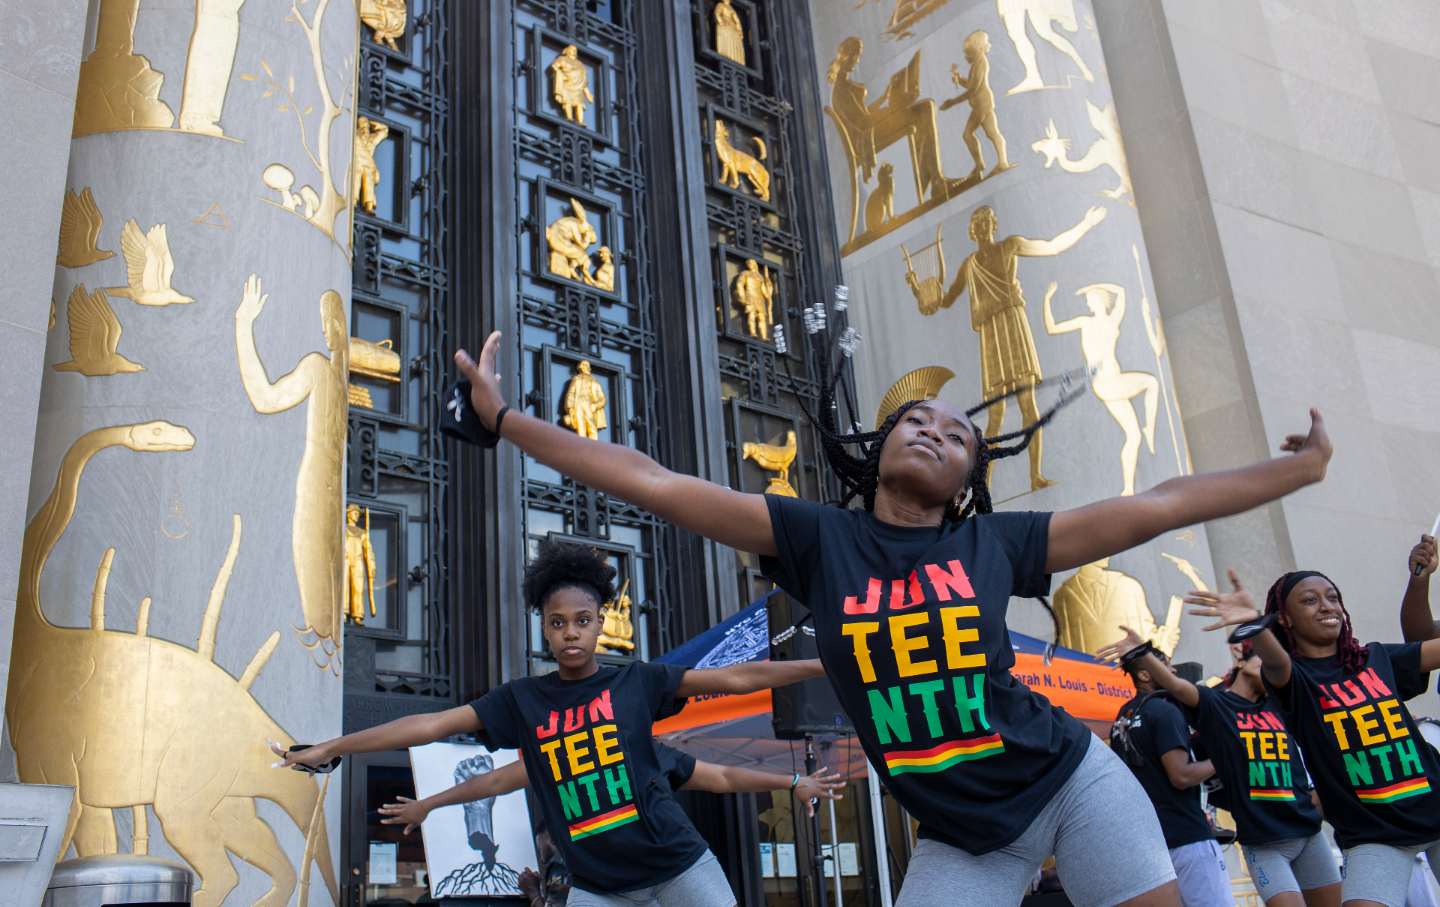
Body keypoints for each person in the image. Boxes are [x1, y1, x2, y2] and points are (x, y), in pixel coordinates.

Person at [450, 328, 1332, 907]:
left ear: (967, 484)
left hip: (1068, 785)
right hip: (960, 834)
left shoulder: (995, 544)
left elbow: (1159, 504)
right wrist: (508, 421)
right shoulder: (816, 539)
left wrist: (1295, 472)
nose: (932, 431)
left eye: (955, 435)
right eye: (914, 420)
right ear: (876, 452)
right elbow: (657, 484)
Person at [274, 538, 825, 906]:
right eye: (557, 622)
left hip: (678, 867)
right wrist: (336, 746)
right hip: (597, 887)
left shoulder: (636, 682)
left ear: (601, 623)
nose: (570, 633)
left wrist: (828, 664)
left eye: (582, 621)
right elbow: (444, 734)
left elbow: (734, 679)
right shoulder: (523, 703)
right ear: (543, 626)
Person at [1185, 539, 1440, 907]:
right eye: (1310, 600)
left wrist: (1419, 581)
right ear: (1284, 619)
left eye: (1333, 597)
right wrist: (1257, 624)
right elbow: (1276, 663)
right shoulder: (1294, 680)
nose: (1327, 607)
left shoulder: (1377, 659)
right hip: (1376, 836)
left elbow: (1428, 645)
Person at [1102, 628, 1341, 907]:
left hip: (1308, 833)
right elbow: (1176, 688)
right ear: (1241, 660)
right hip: (1259, 839)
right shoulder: (1215, 705)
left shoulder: (1280, 704)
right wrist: (1141, 652)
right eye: (1265, 659)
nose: (1274, 667)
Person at [377, 743, 846, 834]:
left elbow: (721, 777)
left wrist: (791, 781)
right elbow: (496, 779)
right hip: (600, 884)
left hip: (668, 872)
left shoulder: (651, 751)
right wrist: (429, 805)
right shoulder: (563, 754)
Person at [1107, 640, 1231, 907]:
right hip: (1188, 838)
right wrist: (1226, 760)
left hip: (1149, 846)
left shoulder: (1122, 716)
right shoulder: (1164, 709)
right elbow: (1181, 775)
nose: (1173, 671)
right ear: (1144, 674)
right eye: (1165, 665)